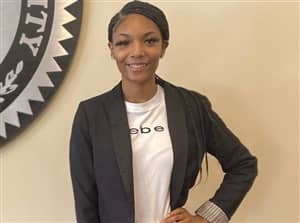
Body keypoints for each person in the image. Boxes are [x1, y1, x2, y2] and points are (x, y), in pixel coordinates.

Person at [69, 1, 258, 223]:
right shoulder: (91, 115)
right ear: (111, 49)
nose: (137, 51)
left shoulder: (191, 106)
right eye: (123, 42)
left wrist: (206, 217)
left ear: (163, 46)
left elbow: (243, 165)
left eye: (149, 41)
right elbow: (86, 204)